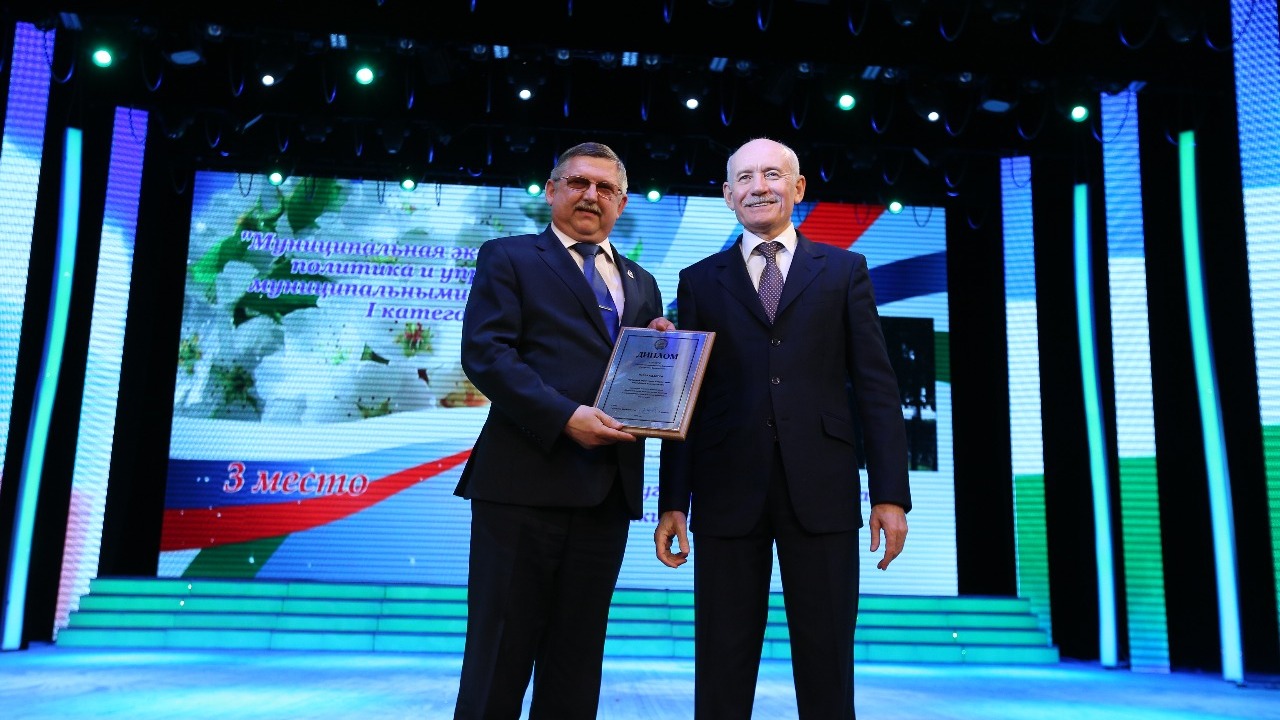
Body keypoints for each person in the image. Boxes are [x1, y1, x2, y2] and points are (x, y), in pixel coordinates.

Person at [655, 137, 911, 719]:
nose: (758, 187)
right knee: (721, 662)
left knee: (827, 662)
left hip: (823, 488)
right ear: (728, 195)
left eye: (772, 174)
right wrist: (673, 501)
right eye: (744, 178)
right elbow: (685, 399)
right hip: (725, 489)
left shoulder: (844, 270)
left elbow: (876, 387)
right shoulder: (699, 280)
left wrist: (891, 494)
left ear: (797, 188)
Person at [454, 142, 673, 719]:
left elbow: (638, 372)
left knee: (576, 667)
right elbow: (485, 354)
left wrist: (662, 348)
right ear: (552, 191)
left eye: (605, 188)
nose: (590, 196)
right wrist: (564, 417)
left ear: (622, 203)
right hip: (521, 488)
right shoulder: (509, 256)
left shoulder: (642, 282)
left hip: (606, 494)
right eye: (578, 182)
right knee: (498, 659)